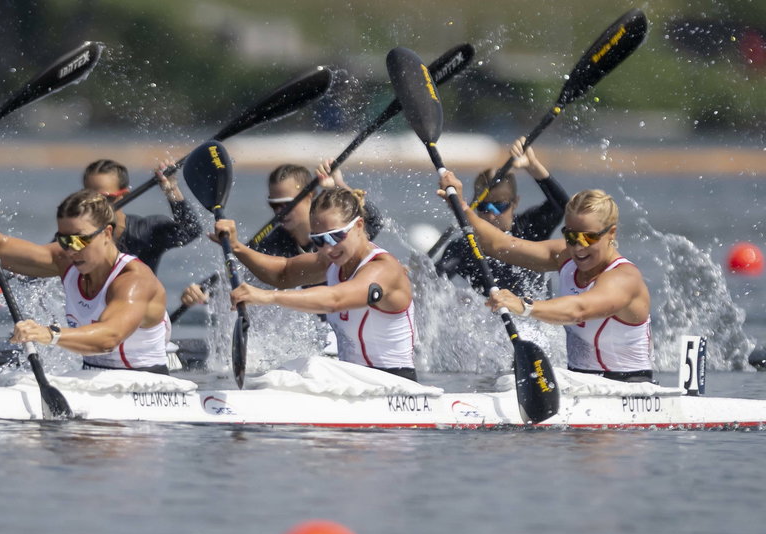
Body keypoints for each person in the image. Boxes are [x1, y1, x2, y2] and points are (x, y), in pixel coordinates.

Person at [0, 152, 171, 373]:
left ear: (107, 234)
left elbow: (109, 337)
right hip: (95, 382)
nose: (71, 249)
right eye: (64, 240)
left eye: (80, 240)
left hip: (143, 388)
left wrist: (49, 334)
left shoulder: (134, 280)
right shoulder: (65, 259)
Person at [437, 172, 653, 382]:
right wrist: (461, 206)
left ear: (611, 233)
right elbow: (499, 245)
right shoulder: (565, 256)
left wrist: (524, 307)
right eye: (571, 236)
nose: (578, 247)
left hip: (628, 387)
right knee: (508, 381)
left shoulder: (624, 278)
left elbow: (579, 310)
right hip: (583, 384)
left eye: (588, 238)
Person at [208, 187, 417, 380]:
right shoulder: (333, 261)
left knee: (311, 366)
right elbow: (283, 272)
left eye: (336, 236)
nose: (327, 249)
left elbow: (335, 299)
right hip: (354, 382)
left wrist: (267, 296)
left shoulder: (383, 270)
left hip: (395, 385)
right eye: (319, 240)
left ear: (359, 226)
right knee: (287, 373)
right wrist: (236, 247)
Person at [179, 160, 378, 307]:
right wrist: (204, 290)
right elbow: (251, 271)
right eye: (274, 205)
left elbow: (373, 222)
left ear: (310, 196)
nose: (280, 211)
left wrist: (338, 187)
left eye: (286, 204)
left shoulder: (343, 236)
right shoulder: (274, 243)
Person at [434, 137, 570, 298]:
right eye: (483, 207)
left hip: (536, 321)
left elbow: (563, 206)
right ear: (474, 205)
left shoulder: (530, 228)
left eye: (499, 206)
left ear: (515, 203)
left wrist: (534, 167)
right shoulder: (463, 247)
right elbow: (434, 281)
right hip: (492, 320)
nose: (491, 215)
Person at [82, 158, 202, 273]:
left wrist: (172, 191)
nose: (96, 205)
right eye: (89, 198)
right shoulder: (76, 236)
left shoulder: (147, 231)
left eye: (105, 198)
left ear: (123, 196)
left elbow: (191, 231)